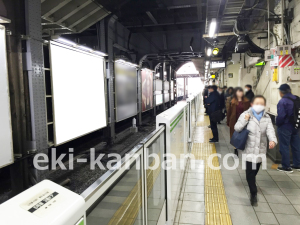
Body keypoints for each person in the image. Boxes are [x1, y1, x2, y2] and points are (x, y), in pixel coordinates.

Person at [234, 95, 277, 206]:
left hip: (260, 150)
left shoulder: (267, 118)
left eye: (262, 104)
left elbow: (270, 131)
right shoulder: (245, 115)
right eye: (257, 103)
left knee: (255, 171)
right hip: (249, 149)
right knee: (250, 173)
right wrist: (245, 120)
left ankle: (252, 185)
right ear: (252, 104)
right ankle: (253, 193)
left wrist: (273, 140)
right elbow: (237, 128)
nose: (259, 106)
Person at [276, 84, 300, 173]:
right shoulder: (297, 99)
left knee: (284, 146)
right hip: (296, 126)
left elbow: (281, 116)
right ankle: (298, 164)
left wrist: (277, 124)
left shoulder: (283, 101)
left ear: (281, 92)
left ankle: (286, 166)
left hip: (285, 126)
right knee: (296, 146)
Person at [227, 87, 251, 155]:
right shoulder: (232, 101)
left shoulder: (246, 101)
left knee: (243, 133)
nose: (240, 93)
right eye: (238, 92)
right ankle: (235, 148)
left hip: (244, 120)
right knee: (234, 134)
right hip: (234, 120)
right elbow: (229, 112)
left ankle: (244, 146)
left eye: (241, 92)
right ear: (235, 93)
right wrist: (228, 121)